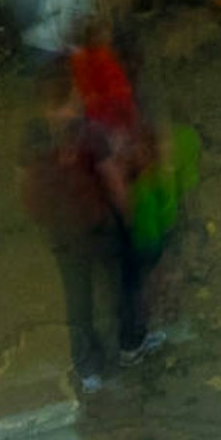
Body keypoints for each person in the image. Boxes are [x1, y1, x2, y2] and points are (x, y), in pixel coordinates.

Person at [19, 58, 144, 388]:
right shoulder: (89, 131)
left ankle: (88, 368)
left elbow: (22, 186)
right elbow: (113, 181)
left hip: (61, 231)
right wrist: (128, 216)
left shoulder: (32, 135)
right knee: (120, 284)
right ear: (71, 90)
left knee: (77, 299)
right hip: (97, 225)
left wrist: (44, 218)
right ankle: (130, 345)